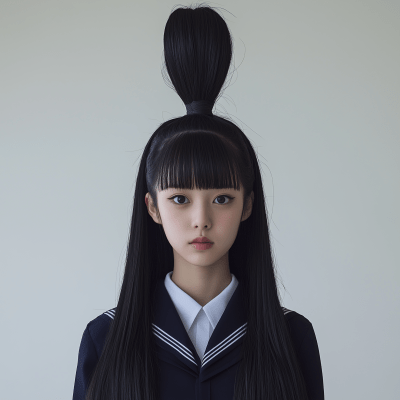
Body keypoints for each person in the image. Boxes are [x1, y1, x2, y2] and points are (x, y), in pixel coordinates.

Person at [72, 4, 324, 400]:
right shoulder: (106, 338)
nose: (201, 219)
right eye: (179, 199)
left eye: (222, 198)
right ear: (152, 207)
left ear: (248, 205)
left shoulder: (291, 337)